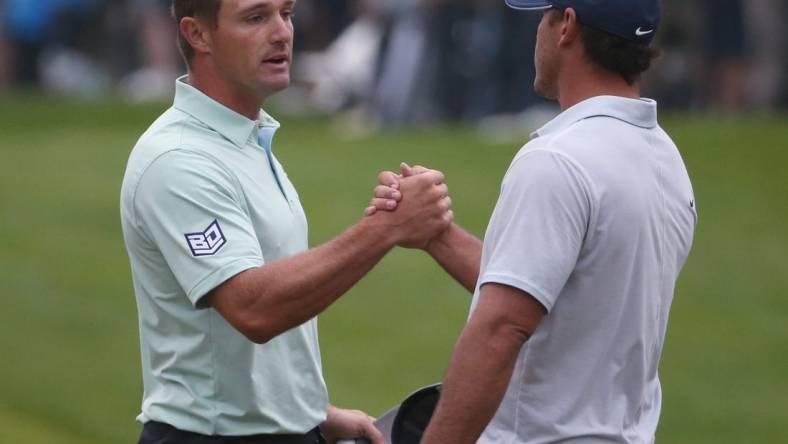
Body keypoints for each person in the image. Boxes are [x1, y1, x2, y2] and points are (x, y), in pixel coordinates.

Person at [119, 1, 454, 443]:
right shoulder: (179, 159)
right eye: (256, 17)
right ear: (198, 34)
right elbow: (253, 308)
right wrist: (385, 229)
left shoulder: (245, 140)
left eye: (287, 13)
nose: (282, 33)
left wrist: (317, 415)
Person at [373, 0, 697, 442]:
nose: (537, 31)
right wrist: (438, 235)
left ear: (566, 26)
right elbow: (557, 297)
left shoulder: (557, 160)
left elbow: (502, 328)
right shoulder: (664, 157)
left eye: (542, 16)